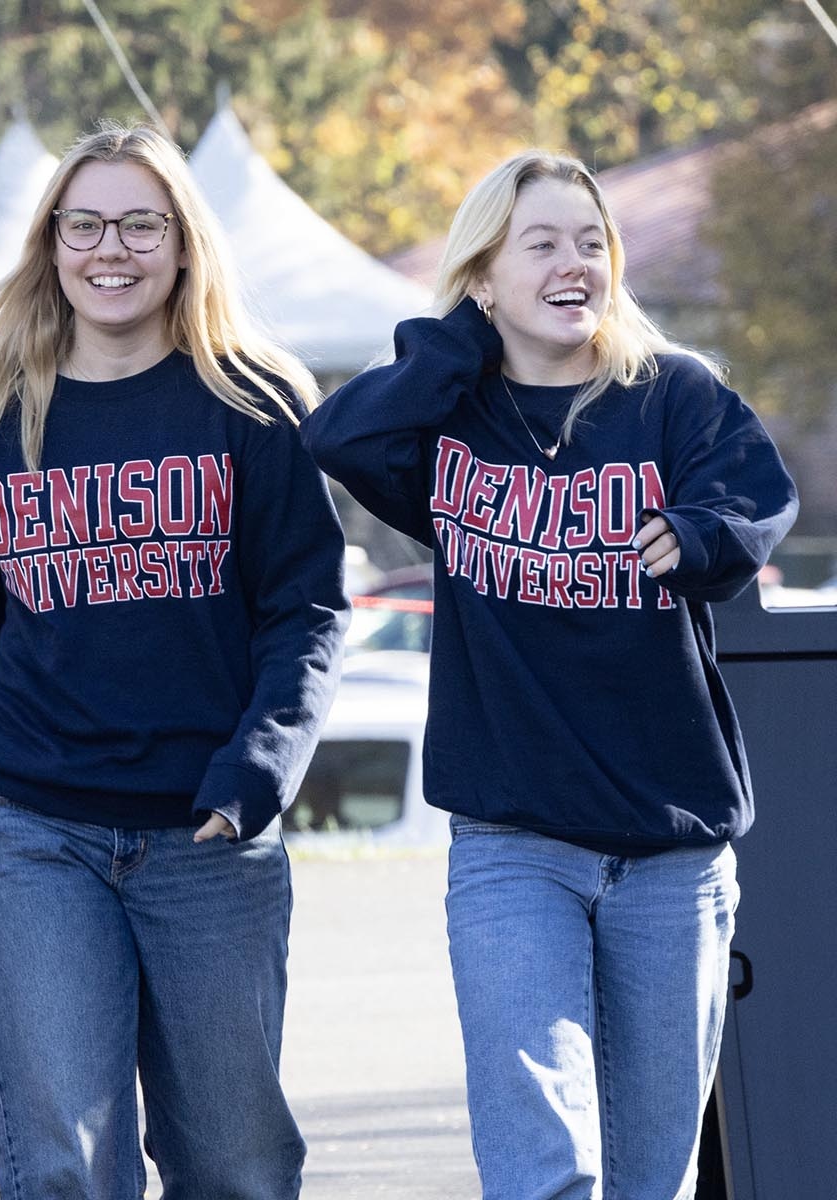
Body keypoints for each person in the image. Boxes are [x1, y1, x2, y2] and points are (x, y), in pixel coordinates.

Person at [0, 121, 349, 1198]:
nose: (109, 249)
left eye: (139, 223)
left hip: (209, 836)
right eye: (82, 224)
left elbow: (306, 610)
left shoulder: (251, 407)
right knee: (60, 1166)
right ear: (48, 245)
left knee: (234, 1167)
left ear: (182, 243)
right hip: (33, 831)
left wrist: (258, 770)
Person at [300, 150, 796, 1198]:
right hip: (512, 845)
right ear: (481, 276)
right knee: (541, 1160)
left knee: (644, 1174)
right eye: (540, 244)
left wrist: (697, 532)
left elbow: (752, 497)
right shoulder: (449, 424)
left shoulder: (670, 397)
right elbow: (341, 435)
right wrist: (462, 344)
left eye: (589, 243)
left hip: (669, 849)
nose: (574, 262)